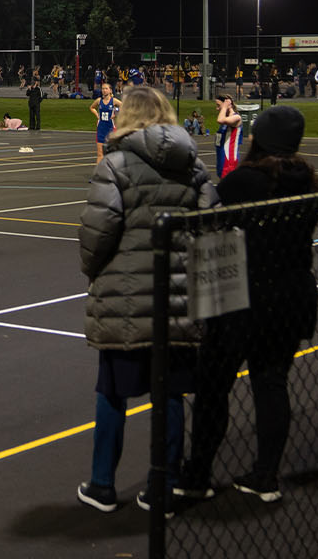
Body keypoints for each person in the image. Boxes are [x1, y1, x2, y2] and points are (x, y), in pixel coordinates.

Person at [77, 87, 217, 514]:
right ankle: (166, 485)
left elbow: (97, 233)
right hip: (177, 295)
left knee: (112, 394)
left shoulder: (115, 165)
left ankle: (102, 484)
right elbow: (212, 226)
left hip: (124, 296)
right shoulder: (194, 168)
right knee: (171, 395)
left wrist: (94, 271)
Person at [177, 105, 318, 503]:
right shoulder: (307, 181)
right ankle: (265, 474)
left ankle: (198, 472)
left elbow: (212, 224)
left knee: (213, 387)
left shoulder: (245, 181)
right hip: (292, 294)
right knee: (272, 384)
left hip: (243, 295)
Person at [214, 96, 243, 178]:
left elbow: (220, 120)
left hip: (229, 159)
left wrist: (225, 107)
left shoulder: (236, 118)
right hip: (221, 156)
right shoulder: (227, 119)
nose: (217, 108)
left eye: (219, 105)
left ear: (227, 104)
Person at [90, 82, 119, 163]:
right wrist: (97, 115)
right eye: (103, 89)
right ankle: (98, 174)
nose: (104, 90)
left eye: (106, 89)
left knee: (112, 154)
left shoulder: (114, 101)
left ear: (110, 90)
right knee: (100, 154)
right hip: (101, 129)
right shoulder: (99, 101)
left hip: (111, 130)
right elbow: (92, 107)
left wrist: (116, 113)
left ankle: (113, 173)